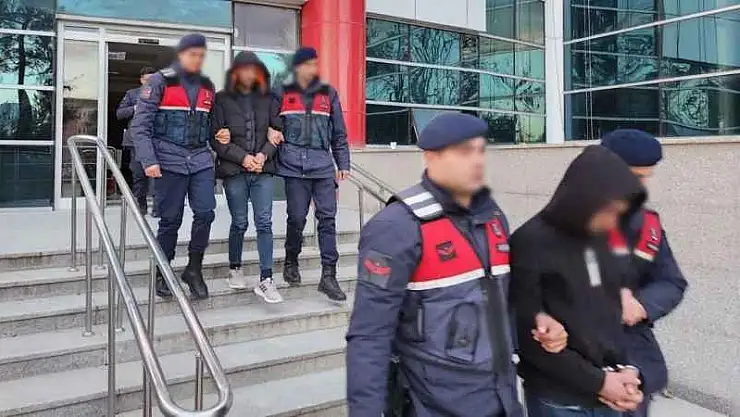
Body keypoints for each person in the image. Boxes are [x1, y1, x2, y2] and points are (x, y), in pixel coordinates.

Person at [346, 113, 568, 417]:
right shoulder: (397, 227)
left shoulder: (492, 218)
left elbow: (502, 298)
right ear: (431, 157)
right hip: (435, 405)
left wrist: (538, 318)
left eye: (480, 150)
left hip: (502, 399)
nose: (477, 161)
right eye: (464, 152)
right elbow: (369, 336)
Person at [509, 145, 647, 417]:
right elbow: (527, 334)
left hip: (609, 394)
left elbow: (613, 316)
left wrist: (627, 369)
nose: (614, 221)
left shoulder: (604, 239)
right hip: (560, 400)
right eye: (609, 211)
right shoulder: (531, 241)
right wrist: (599, 382)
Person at [600, 129, 688, 417]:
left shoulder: (648, 226)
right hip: (576, 366)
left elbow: (671, 282)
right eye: (635, 177)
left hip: (633, 361)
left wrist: (642, 305)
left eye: (646, 177)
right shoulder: (562, 221)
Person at [129, 34, 216, 300]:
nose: (197, 59)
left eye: (201, 55)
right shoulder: (159, 81)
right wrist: (148, 160)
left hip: (200, 160)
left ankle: (194, 269)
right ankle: (162, 271)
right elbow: (140, 126)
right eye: (192, 54)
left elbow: (210, 124)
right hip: (168, 160)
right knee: (170, 220)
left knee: (206, 213)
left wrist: (220, 135)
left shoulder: (207, 86)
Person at [276, 46, 351, 302]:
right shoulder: (282, 92)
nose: (313, 69)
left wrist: (343, 162)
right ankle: (291, 260)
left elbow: (338, 132)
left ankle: (329, 275)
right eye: (308, 64)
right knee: (297, 218)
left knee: (327, 219)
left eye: (315, 64)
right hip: (293, 165)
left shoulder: (328, 94)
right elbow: (270, 124)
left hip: (322, 165)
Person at [211, 51, 285, 303]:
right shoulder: (221, 99)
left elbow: (277, 133)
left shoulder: (269, 99)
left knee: (264, 223)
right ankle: (235, 267)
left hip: (262, 171)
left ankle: (266, 279)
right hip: (235, 171)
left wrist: (263, 155)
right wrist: (243, 158)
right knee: (240, 222)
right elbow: (217, 139)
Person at [116, 66, 158, 217]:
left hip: (157, 140)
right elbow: (119, 113)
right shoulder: (132, 94)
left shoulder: (162, 94)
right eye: (147, 80)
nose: (150, 83)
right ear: (141, 80)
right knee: (139, 174)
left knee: (157, 175)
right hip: (136, 142)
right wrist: (135, 108)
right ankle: (141, 205)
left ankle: (157, 207)